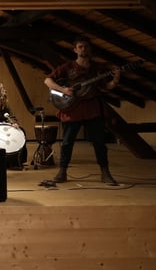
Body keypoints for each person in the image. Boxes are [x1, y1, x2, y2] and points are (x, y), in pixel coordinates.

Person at [44, 37, 120, 184]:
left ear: (90, 49)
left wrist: (116, 78)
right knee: (67, 142)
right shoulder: (68, 67)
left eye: (86, 46)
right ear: (75, 50)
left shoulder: (97, 68)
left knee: (99, 142)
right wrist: (63, 90)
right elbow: (48, 80)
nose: (83, 49)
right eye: (80, 46)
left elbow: (107, 87)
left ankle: (105, 173)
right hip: (72, 109)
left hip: (92, 108)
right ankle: (62, 172)